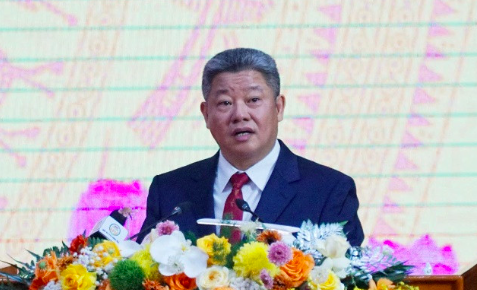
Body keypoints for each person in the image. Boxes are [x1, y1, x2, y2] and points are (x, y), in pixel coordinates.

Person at [139, 48, 364, 246]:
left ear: (279, 107)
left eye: (253, 100)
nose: (240, 114)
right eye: (225, 103)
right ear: (206, 114)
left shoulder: (329, 191)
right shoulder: (169, 191)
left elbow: (348, 275)